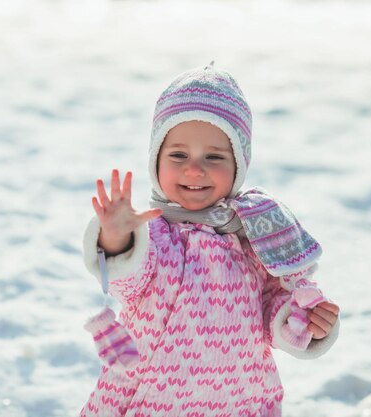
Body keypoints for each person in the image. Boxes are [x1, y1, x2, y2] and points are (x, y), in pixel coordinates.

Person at [80, 62, 340, 417]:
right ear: (156, 160)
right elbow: (127, 279)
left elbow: (272, 306)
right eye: (178, 155)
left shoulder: (254, 236)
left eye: (214, 157)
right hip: (150, 402)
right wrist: (116, 237)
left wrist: (303, 321)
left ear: (239, 164)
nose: (194, 169)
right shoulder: (153, 236)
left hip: (240, 403)